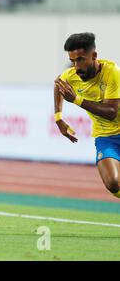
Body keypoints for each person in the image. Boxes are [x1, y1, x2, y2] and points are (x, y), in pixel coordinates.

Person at [54, 32, 120, 198]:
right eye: (72, 61)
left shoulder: (112, 72)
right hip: (106, 137)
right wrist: (58, 117)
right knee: (113, 183)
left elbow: (111, 112)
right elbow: (58, 85)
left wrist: (76, 100)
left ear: (94, 55)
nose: (76, 66)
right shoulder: (71, 75)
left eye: (81, 59)